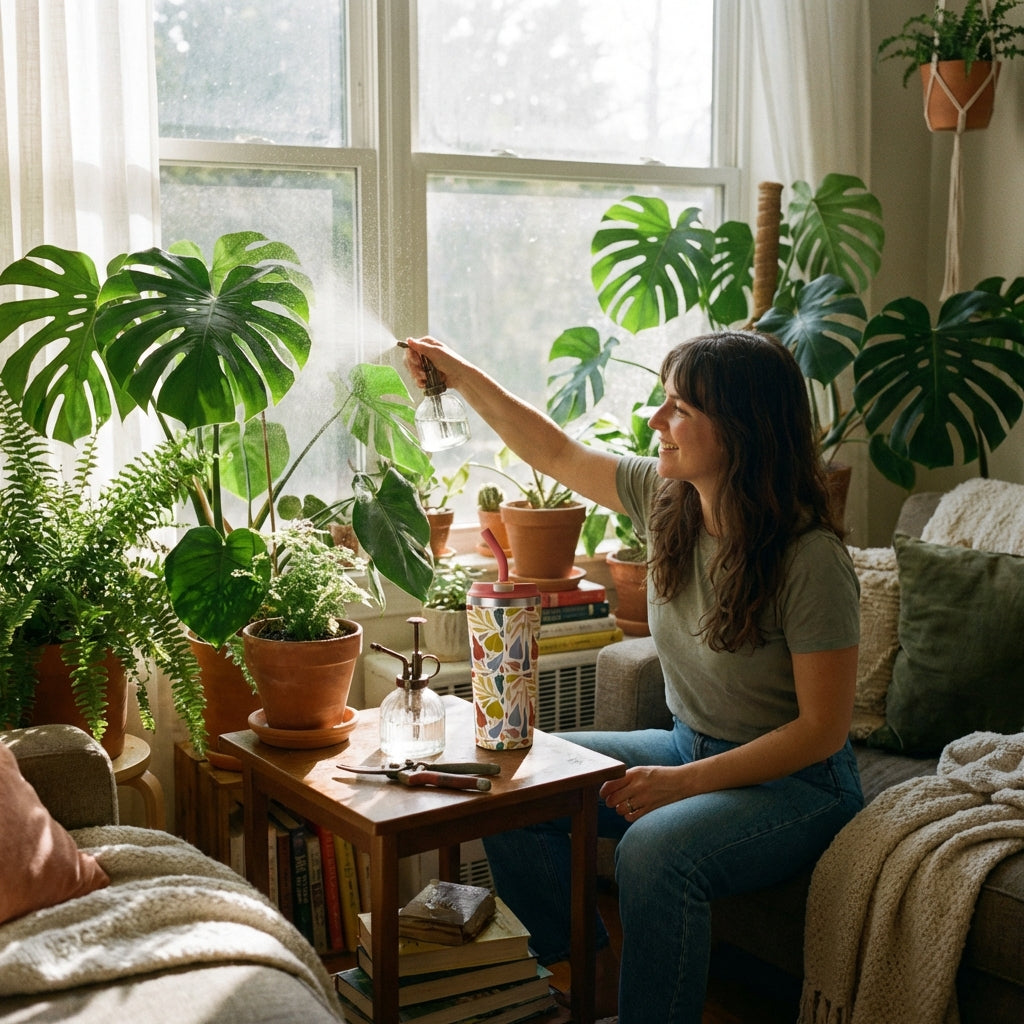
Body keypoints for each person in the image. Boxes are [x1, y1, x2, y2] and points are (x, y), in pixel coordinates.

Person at [402, 330, 863, 1024]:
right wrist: (459, 374)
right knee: (510, 779)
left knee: (652, 852)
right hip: (690, 742)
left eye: (680, 408)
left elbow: (822, 731)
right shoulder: (667, 496)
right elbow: (556, 452)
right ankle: (579, 982)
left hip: (800, 786)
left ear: (741, 429)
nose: (656, 420)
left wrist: (685, 783)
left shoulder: (810, 558)